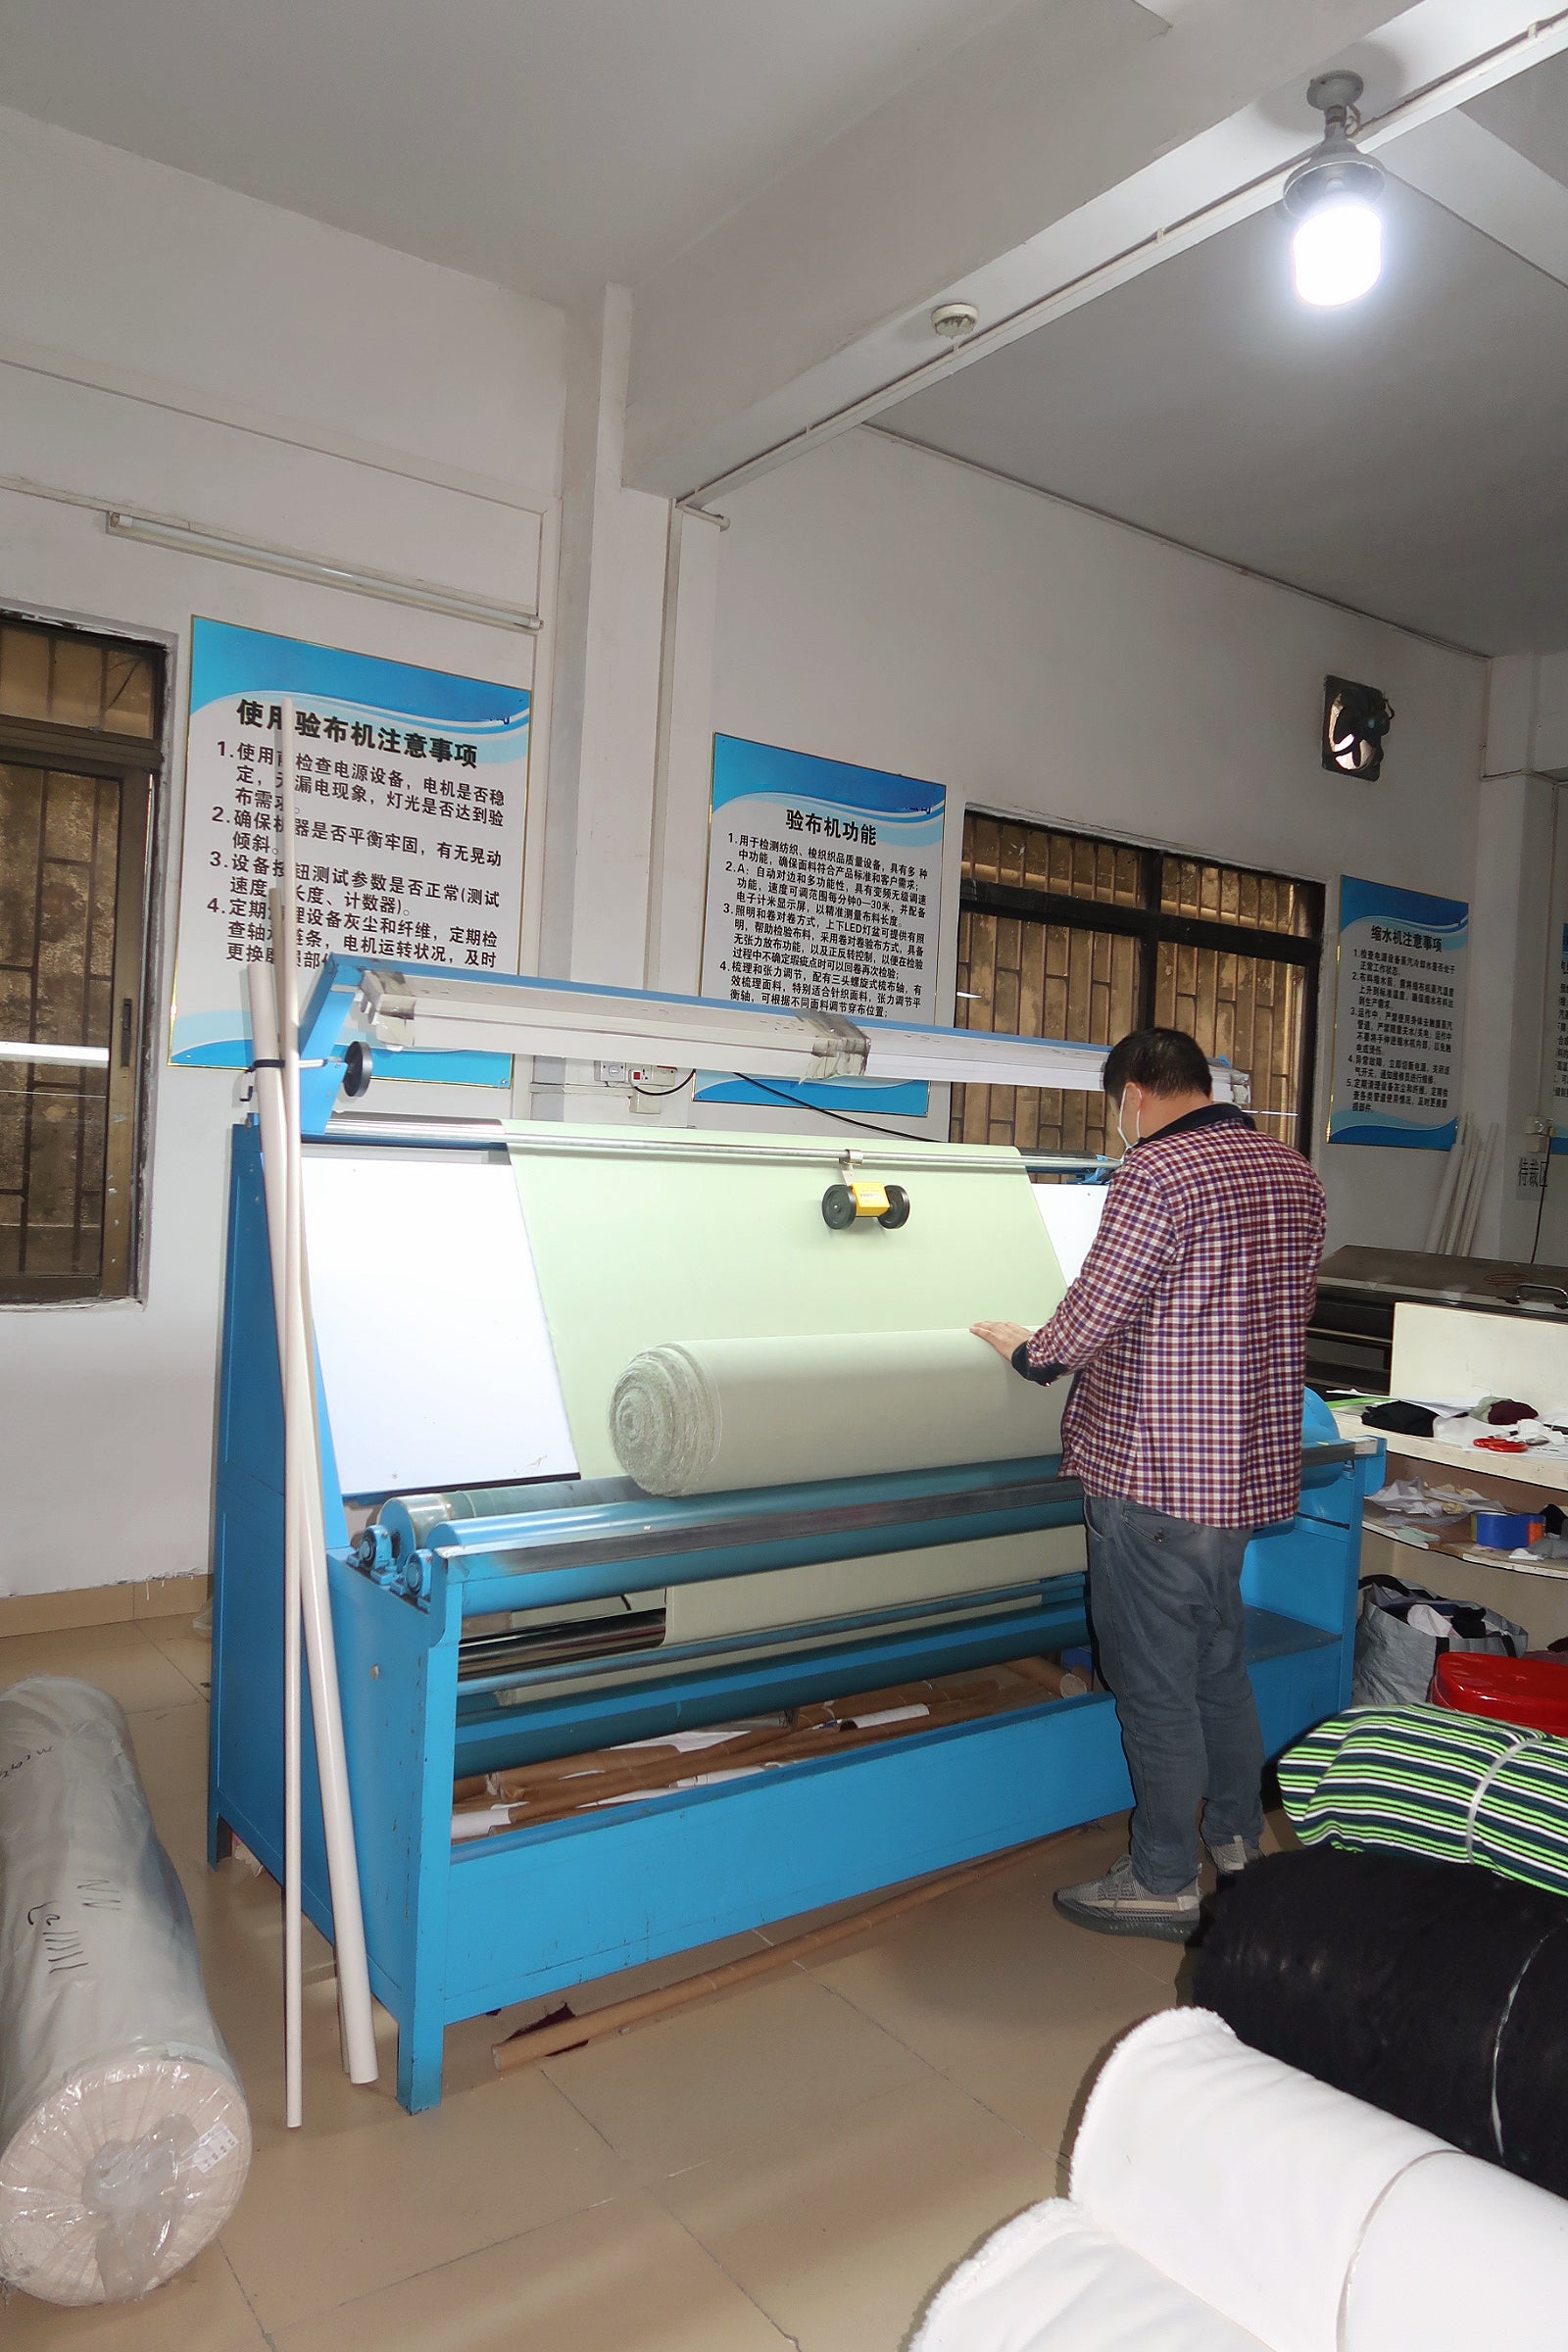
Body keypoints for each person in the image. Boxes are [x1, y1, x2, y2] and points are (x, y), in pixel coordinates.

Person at [972, 1026, 1326, 1942]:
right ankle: (1239, 1839)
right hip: (1239, 1476)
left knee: (1154, 1683)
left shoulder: (1155, 1176)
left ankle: (1163, 1879)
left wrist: (1025, 1350)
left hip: (1154, 1478)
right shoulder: (1293, 1172)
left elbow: (1087, 1321)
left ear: (1133, 1093)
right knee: (1217, 1665)